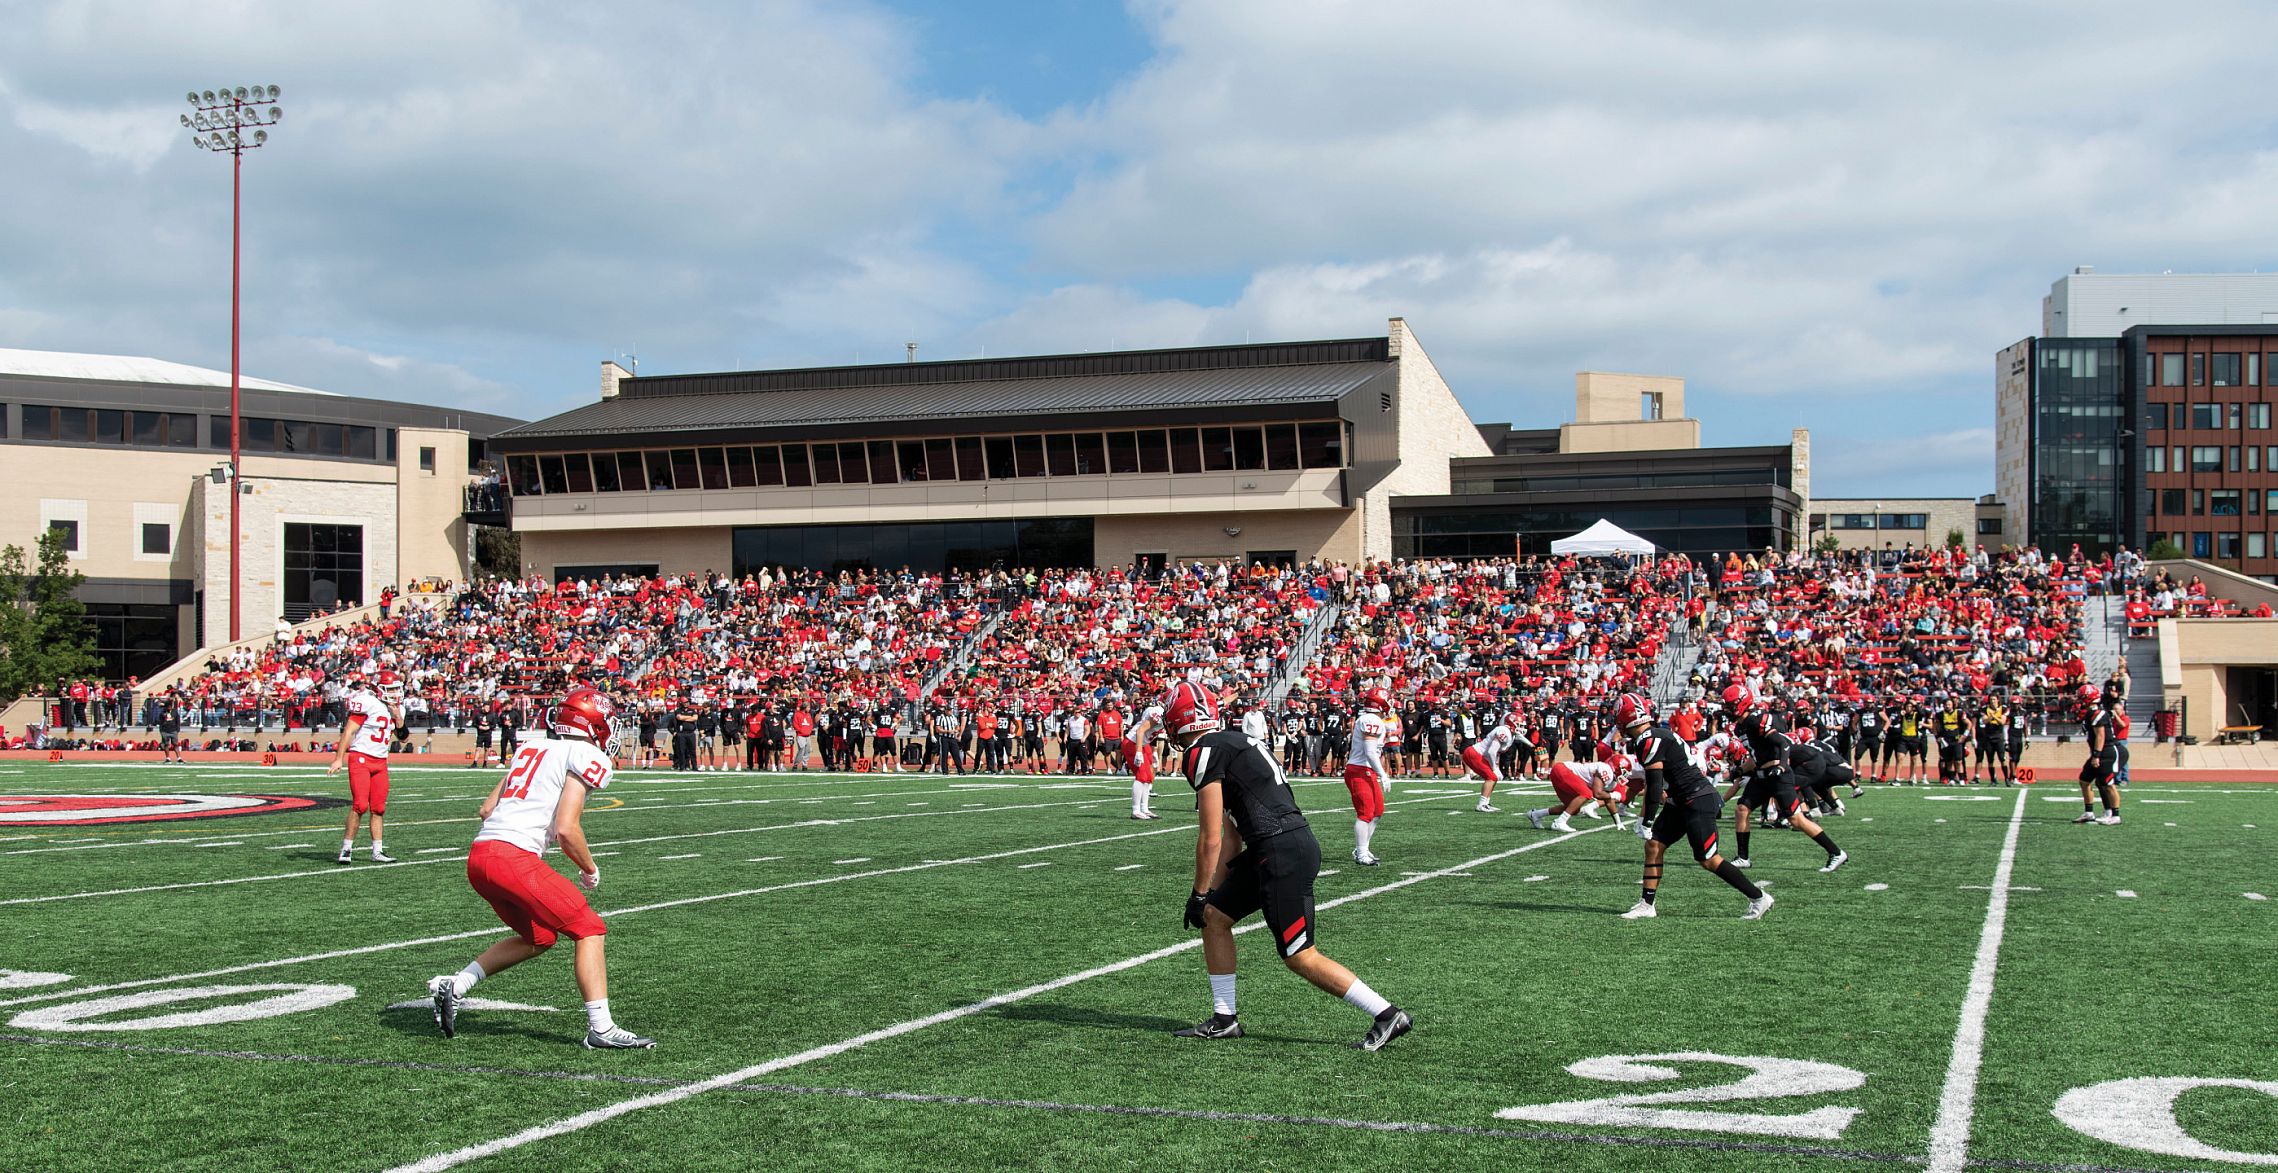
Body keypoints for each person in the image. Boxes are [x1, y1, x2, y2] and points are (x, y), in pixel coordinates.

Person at [1160, 680, 1411, 1051]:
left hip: (1279, 850)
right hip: (1278, 846)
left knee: (1299, 955)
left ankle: (1387, 1014)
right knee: (1215, 917)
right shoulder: (1235, 742)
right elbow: (1231, 839)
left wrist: (1197, 892)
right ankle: (1224, 1018)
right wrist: (1210, 895)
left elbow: (1211, 837)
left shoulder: (1203, 752)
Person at [425, 687, 653, 1049]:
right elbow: (566, 828)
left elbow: (486, 810)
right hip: (512, 858)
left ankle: (456, 985)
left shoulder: (531, 746)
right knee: (590, 929)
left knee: (540, 937)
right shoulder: (584, 754)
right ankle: (601, 1028)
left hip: (480, 856)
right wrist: (590, 869)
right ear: (592, 722)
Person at [1614, 691, 1773, 921]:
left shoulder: (1649, 739)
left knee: (1708, 859)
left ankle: (1759, 898)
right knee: (1654, 845)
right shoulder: (1654, 735)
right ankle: (1647, 904)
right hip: (1681, 799)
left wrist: (1646, 820)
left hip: (1697, 799)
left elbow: (1655, 784)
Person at [1722, 686, 1848, 874]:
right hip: (1762, 775)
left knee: (1796, 819)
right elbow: (1756, 756)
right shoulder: (1741, 726)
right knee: (1742, 809)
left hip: (1778, 775)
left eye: (1731, 705)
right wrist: (1740, 769)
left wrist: (1781, 765)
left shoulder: (1756, 720)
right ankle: (1743, 857)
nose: (1728, 709)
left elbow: (1783, 743)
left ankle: (1836, 852)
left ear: (1743, 703)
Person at [327, 670, 404, 865]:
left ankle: (377, 851)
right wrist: (339, 758)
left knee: (378, 808)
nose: (395, 693)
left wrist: (398, 717)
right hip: (361, 758)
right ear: (379, 689)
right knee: (360, 805)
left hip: (380, 761)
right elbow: (349, 731)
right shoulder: (368, 702)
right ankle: (346, 849)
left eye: (397, 689)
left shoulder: (396, 708)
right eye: (391, 689)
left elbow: (403, 737)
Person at [1526, 746, 1634, 833]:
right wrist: (1614, 795)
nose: (1625, 776)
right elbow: (1597, 794)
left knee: (1573, 808)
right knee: (1586, 794)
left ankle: (1536, 814)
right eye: (1624, 772)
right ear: (1617, 768)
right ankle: (1560, 822)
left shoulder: (1611, 780)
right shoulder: (1607, 770)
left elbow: (1608, 801)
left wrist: (1618, 823)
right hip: (1562, 770)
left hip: (1560, 772)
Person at [1343, 686, 1393, 866]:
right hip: (1359, 769)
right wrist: (1383, 774)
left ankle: (1362, 848)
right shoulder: (1371, 720)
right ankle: (1361, 852)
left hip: (1365, 770)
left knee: (1377, 811)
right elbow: (1370, 752)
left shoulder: (1370, 719)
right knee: (1365, 813)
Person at [2074, 684, 2122, 825]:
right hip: (2099, 751)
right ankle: (2089, 813)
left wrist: (2096, 755)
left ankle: (2115, 815)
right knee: (2084, 780)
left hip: (2106, 752)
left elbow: (2100, 736)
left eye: (2082, 698)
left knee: (2108, 784)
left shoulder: (2098, 713)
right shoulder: (2091, 712)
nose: (2080, 701)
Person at [1463, 711, 1521, 813]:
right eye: (1519, 725)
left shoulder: (1509, 733)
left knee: (1493, 778)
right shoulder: (1504, 731)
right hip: (1474, 753)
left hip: (1477, 754)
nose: (1521, 727)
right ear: (1511, 723)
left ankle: (1486, 803)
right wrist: (1495, 768)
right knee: (1492, 777)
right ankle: (1481, 804)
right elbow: (1491, 751)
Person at [1121, 703, 1164, 820]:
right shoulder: (1159, 712)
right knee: (1141, 776)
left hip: (1144, 744)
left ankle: (1144, 808)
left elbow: (1149, 734)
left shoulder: (1166, 714)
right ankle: (1135, 810)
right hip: (1133, 743)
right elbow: (1140, 731)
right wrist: (1139, 752)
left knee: (1149, 777)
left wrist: (1153, 752)